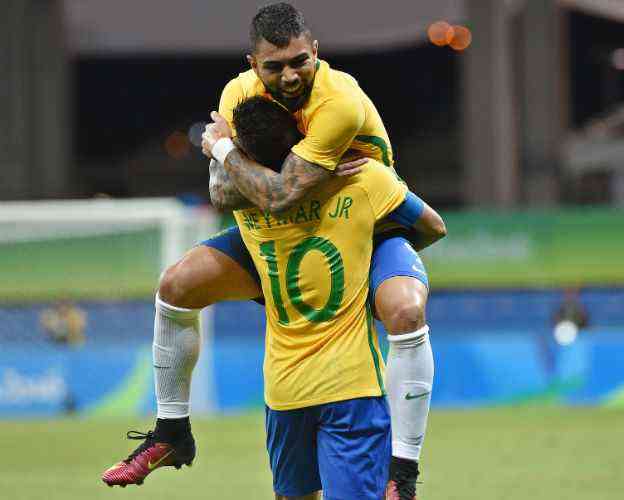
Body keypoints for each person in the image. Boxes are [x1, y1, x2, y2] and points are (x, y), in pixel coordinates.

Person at [102, 4, 437, 499]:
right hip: (280, 230)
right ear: (252, 64)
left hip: (368, 223)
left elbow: (278, 191)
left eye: (300, 61)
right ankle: (172, 431)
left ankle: (402, 472)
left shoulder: (339, 101)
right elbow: (224, 193)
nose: (289, 76)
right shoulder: (238, 93)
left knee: (404, 311)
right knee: (176, 287)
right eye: (274, 66)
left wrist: (225, 151)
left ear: (316, 53)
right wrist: (258, 170)